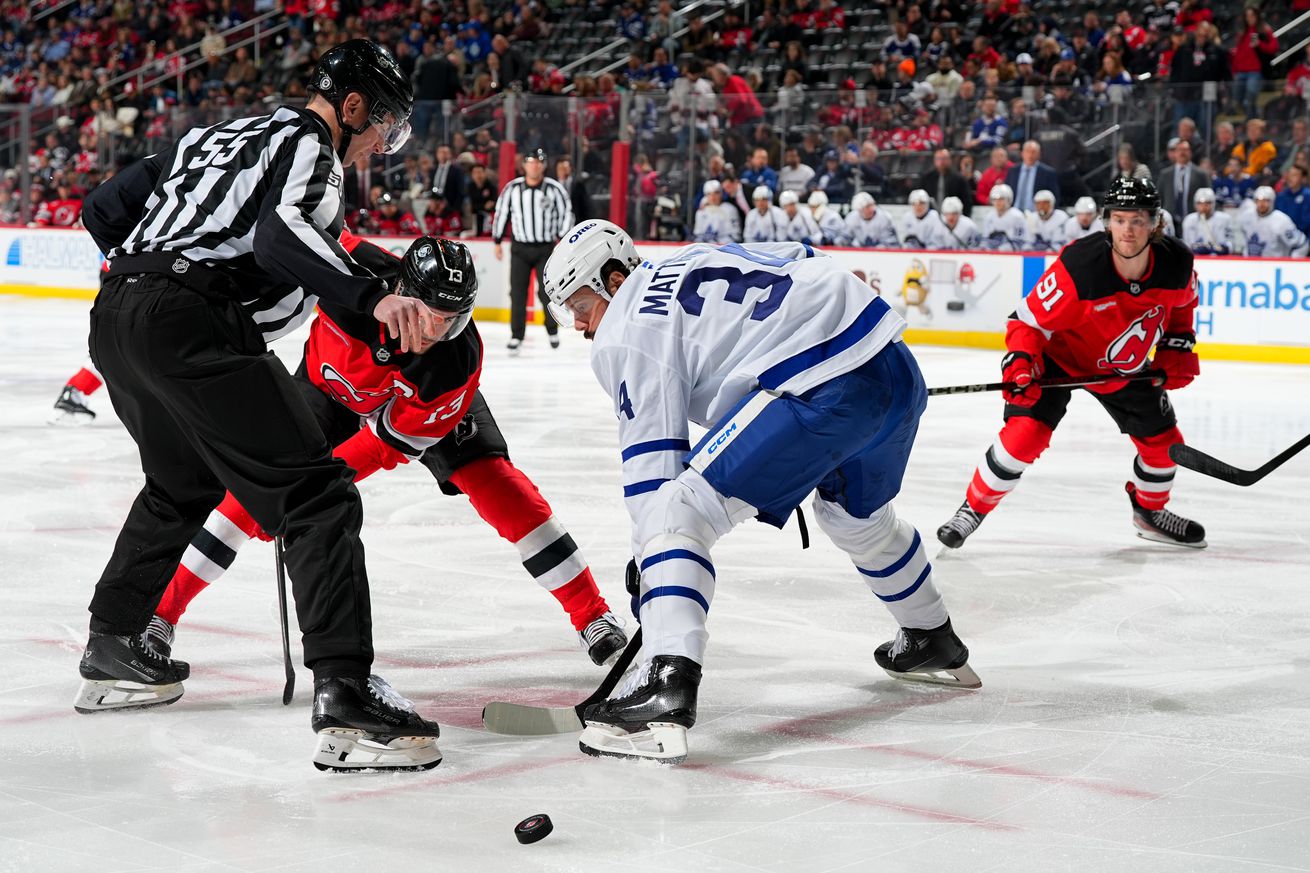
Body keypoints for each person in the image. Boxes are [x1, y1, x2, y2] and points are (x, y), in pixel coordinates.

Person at [74, 39, 447, 771]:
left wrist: (156, 270)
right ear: (351, 108)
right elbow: (282, 235)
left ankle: (115, 642)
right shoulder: (314, 148)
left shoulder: (211, 137)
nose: (379, 146)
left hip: (117, 313)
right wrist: (371, 298)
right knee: (318, 494)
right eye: (385, 128)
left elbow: (103, 208)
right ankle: (345, 695)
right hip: (190, 320)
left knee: (181, 482)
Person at [541, 220, 980, 764]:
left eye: (581, 305)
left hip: (822, 388)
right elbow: (805, 257)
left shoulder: (626, 327)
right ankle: (931, 636)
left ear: (613, 278)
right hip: (893, 366)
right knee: (855, 519)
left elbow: (654, 486)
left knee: (676, 515)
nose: (581, 325)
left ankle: (665, 684)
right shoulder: (694, 256)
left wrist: (653, 564)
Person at [143, 232, 628, 669]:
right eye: (429, 317)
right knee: (244, 499)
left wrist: (300, 491)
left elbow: (382, 447)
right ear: (400, 295)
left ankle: (594, 617)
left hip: (411, 411)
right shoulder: (349, 269)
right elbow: (289, 240)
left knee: (501, 489)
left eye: (452, 320)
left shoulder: (454, 362)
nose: (436, 334)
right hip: (327, 393)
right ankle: (160, 615)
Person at [937, 177, 1206, 551]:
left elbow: (1183, 306)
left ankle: (1149, 513)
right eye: (1120, 219)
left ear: (1155, 223)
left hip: (1122, 366)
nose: (1128, 229)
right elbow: (1026, 322)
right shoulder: (1081, 266)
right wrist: (1020, 366)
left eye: (1139, 220)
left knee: (1164, 445)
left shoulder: (1176, 263)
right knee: (1024, 436)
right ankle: (972, 510)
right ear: (1107, 221)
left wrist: (1178, 347)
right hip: (1058, 360)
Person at [492, 148, 574, 355]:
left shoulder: (555, 189)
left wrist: (562, 238)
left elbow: (567, 214)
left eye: (538, 162)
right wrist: (497, 241)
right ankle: (516, 336)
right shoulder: (512, 189)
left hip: (546, 248)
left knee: (547, 292)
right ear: (524, 166)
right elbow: (501, 213)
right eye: (530, 162)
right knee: (517, 294)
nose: (534, 166)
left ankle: (552, 330)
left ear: (543, 166)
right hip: (520, 248)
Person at [1239, 186, 1310, 257]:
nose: (1261, 204)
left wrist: (1292, 264)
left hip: (1275, 265)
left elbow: (1302, 244)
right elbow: (1241, 242)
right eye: (1258, 200)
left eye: (1266, 200)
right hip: (1249, 264)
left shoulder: (1281, 220)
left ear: (1272, 202)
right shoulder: (1246, 217)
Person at [1157, 139, 1208, 220]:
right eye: (1179, 150)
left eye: (1185, 150)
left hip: (1193, 218)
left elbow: (1207, 196)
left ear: (1191, 152)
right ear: (1175, 153)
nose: (1182, 153)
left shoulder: (1200, 174)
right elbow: (1159, 198)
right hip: (1170, 220)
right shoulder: (1165, 174)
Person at [1005, 140, 1061, 212]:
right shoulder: (1013, 171)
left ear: (1039, 154)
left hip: (1037, 214)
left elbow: (1055, 197)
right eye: (1027, 151)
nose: (1030, 155)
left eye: (1033, 152)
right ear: (1022, 153)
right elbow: (1007, 192)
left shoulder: (1048, 173)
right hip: (1014, 212)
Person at [1181, 188, 1236, 255]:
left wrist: (1225, 248)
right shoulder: (1189, 220)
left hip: (1220, 259)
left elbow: (1231, 243)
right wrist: (1194, 248)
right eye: (1200, 203)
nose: (1203, 207)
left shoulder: (1225, 219)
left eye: (1207, 203)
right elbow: (1186, 244)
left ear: (1213, 203)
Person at [693, 180, 742, 244]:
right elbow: (697, 235)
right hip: (705, 248)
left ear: (721, 194)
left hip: (724, 249)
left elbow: (735, 236)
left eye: (716, 193)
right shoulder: (701, 212)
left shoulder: (730, 209)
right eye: (709, 194)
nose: (713, 197)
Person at [982, 184, 1028, 250]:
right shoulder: (989, 216)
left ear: (1008, 199)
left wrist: (1001, 249)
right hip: (993, 252)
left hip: (1012, 254)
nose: (998, 202)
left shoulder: (1017, 216)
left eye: (1001, 199)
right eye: (995, 199)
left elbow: (1019, 242)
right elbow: (985, 239)